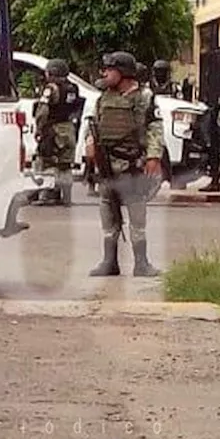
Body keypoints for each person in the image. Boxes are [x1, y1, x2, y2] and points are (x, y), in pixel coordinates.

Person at [86, 51, 164, 277]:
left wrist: (153, 157)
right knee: (108, 218)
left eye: (110, 69)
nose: (105, 73)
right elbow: (93, 124)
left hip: (131, 167)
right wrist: (89, 144)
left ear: (124, 72)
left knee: (137, 218)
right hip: (107, 167)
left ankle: (141, 263)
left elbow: (155, 129)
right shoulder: (103, 98)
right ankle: (109, 262)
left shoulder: (144, 98)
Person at [32, 59, 81, 205]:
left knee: (44, 161)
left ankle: (45, 196)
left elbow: (42, 111)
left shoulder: (50, 89)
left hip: (53, 130)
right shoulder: (73, 88)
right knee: (65, 165)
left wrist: (39, 128)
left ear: (52, 72)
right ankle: (66, 198)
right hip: (69, 130)